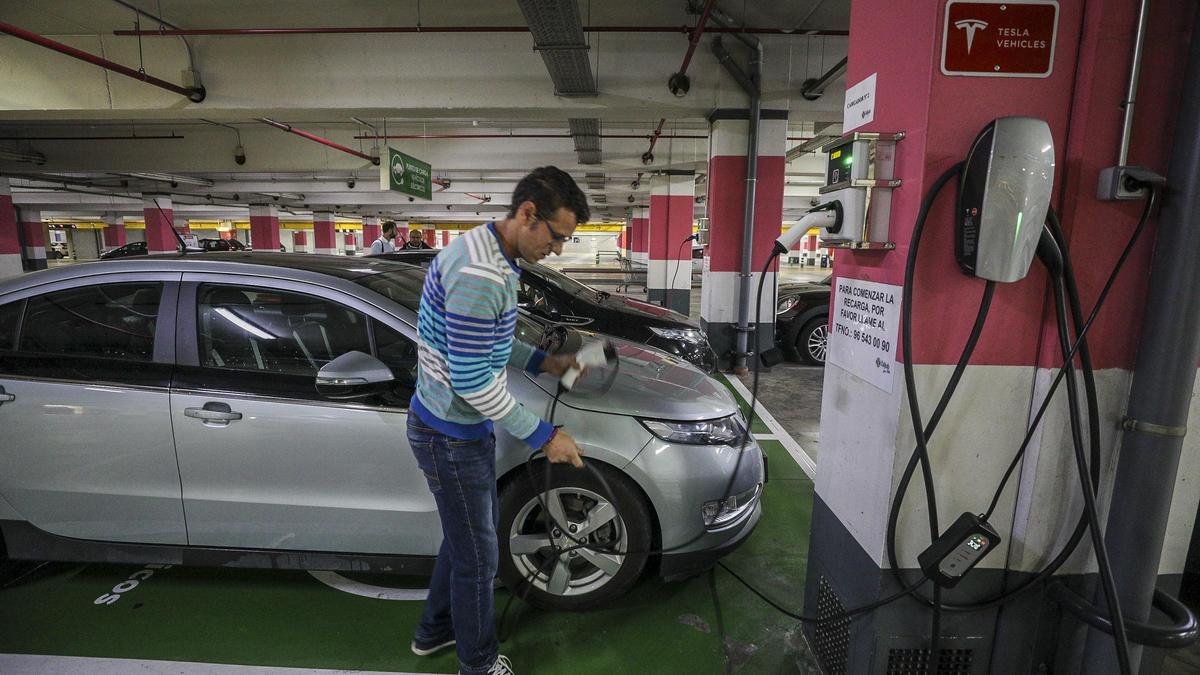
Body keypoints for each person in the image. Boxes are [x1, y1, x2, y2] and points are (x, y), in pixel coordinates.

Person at [407, 166, 589, 675]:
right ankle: (479, 664)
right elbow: (469, 379)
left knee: (464, 539)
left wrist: (540, 361)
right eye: (557, 238)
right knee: (479, 558)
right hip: (450, 434)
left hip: (449, 426)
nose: (557, 251)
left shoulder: (489, 252)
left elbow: (485, 340)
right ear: (528, 214)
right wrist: (544, 434)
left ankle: (436, 630)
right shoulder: (481, 274)